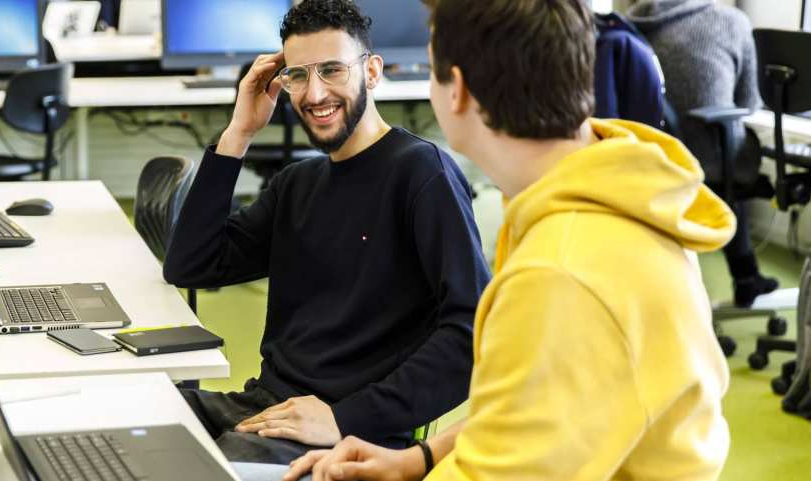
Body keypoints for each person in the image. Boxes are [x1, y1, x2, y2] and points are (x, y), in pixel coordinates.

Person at [280, 0, 736, 479]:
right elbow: (539, 403)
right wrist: (421, 458)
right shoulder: (604, 191)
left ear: (455, 90)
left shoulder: (562, 272)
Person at [162, 0, 490, 466]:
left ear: (372, 71)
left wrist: (346, 417)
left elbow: (470, 334)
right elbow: (191, 265)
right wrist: (239, 132)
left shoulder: (421, 174)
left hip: (347, 433)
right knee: (131, 414)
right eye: (298, 75)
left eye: (332, 70)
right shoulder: (298, 184)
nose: (314, 94)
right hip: (267, 408)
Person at [628, 0, 778, 307]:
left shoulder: (629, 22)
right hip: (707, 156)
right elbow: (749, 102)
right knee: (737, 155)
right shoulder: (730, 21)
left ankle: (743, 276)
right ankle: (746, 276)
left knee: (727, 155)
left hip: (647, 152)